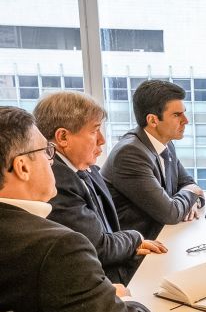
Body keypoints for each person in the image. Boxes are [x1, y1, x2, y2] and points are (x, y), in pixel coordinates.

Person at [0, 106, 159, 312]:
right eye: (46, 152)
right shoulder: (57, 247)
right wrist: (127, 301)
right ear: (22, 167)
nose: (53, 162)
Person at [33, 91, 167, 285]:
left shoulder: (88, 169)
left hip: (116, 268)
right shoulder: (55, 181)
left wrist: (131, 244)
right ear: (63, 137)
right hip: (99, 284)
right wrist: (135, 238)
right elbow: (98, 246)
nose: (102, 140)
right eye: (95, 130)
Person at [102, 80, 205, 240]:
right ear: (152, 120)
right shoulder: (130, 153)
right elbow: (171, 213)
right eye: (177, 115)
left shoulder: (165, 143)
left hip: (164, 237)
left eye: (184, 112)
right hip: (138, 250)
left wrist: (191, 197)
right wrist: (191, 194)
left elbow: (188, 183)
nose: (186, 120)